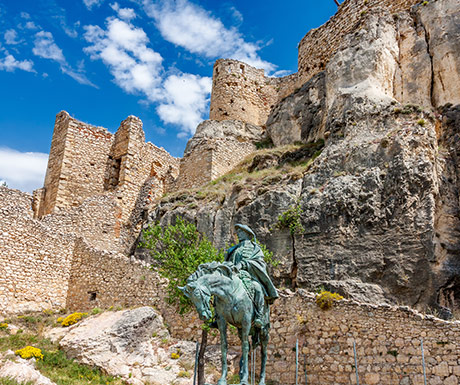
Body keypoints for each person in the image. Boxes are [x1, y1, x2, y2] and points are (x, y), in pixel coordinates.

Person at [225, 224, 278, 327]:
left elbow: (259, 262)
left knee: (257, 288)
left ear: (248, 234)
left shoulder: (255, 248)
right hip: (233, 277)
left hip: (249, 276)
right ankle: (218, 316)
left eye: (241, 232)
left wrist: (244, 264)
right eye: (238, 232)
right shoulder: (232, 250)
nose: (239, 234)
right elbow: (228, 262)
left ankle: (259, 315)